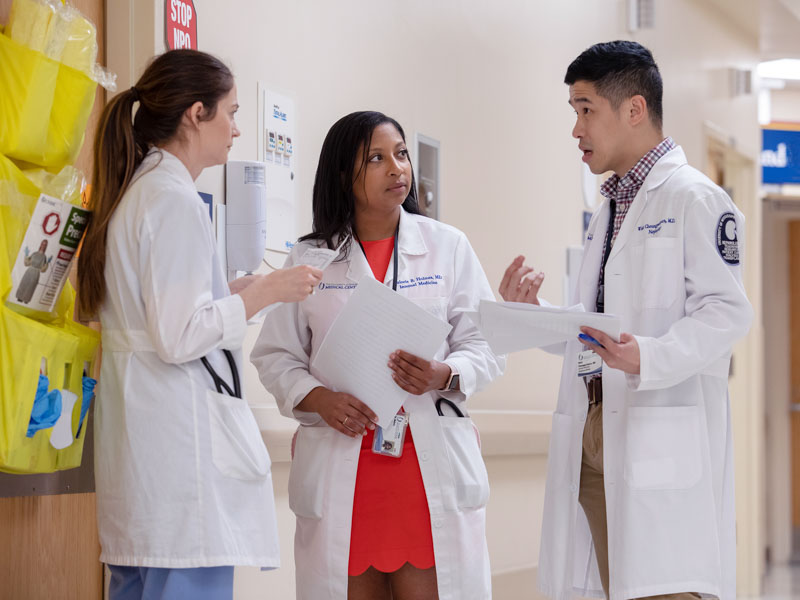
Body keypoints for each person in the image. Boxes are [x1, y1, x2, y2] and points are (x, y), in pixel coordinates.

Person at [499, 41, 752, 600]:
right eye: (575, 112)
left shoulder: (695, 200)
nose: (576, 129)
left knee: (665, 589)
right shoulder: (610, 206)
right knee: (615, 588)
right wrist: (532, 317)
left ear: (634, 110)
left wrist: (650, 356)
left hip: (655, 428)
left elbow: (727, 313)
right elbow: (602, 325)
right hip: (595, 430)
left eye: (586, 110)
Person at [76, 49, 322, 600]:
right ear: (196, 113)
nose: (236, 129)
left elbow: (159, 315)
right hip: (177, 471)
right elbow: (179, 335)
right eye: (231, 113)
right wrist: (265, 291)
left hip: (148, 467)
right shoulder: (172, 200)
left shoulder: (141, 192)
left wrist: (231, 295)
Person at [250, 111, 505, 600]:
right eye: (377, 158)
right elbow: (275, 355)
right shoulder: (310, 257)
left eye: (402, 154)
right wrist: (316, 396)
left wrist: (445, 372)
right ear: (344, 173)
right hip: (345, 471)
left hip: (425, 474)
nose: (397, 168)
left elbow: (485, 344)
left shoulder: (447, 247)